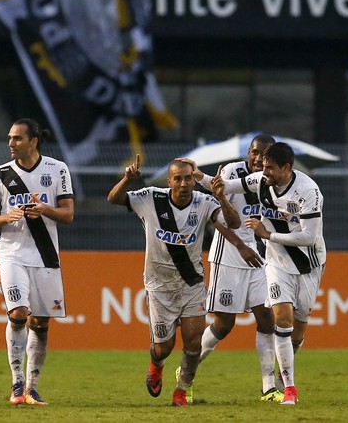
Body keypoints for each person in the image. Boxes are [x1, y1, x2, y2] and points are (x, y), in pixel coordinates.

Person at [198, 142, 326, 405]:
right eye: (263, 166)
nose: (263, 171)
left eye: (269, 168)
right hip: (276, 264)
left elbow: (310, 237)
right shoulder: (259, 181)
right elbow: (222, 185)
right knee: (281, 319)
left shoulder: (308, 191)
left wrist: (268, 235)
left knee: (298, 333)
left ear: (286, 168)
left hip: (308, 265)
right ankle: (288, 388)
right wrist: (198, 174)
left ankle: (281, 377)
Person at [107, 156, 240, 407]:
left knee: (193, 341)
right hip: (159, 286)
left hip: (192, 283)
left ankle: (182, 389)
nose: (183, 183)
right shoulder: (151, 198)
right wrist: (127, 179)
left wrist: (222, 196)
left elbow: (233, 223)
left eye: (188, 178)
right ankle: (156, 365)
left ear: (194, 179)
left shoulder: (205, 201)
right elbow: (113, 198)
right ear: (169, 181)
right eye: (177, 179)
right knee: (164, 347)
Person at [177, 134, 281, 404]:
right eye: (256, 152)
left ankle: (269, 387)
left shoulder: (269, 179)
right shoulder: (235, 170)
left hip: (258, 258)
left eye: (265, 155)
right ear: (249, 152)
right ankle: (187, 372)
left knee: (267, 319)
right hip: (229, 256)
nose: (259, 158)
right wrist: (200, 176)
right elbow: (219, 205)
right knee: (224, 324)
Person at [0, 118, 75, 406]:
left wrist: (46, 209)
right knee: (19, 313)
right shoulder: (0, 174)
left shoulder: (57, 169)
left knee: (40, 322)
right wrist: (5, 217)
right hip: (12, 254)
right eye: (10, 138)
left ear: (33, 141)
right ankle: (17, 384)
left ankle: (33, 387)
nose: (11, 143)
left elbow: (68, 214)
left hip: (46, 254)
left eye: (17, 138)